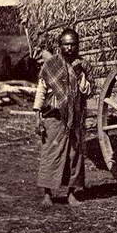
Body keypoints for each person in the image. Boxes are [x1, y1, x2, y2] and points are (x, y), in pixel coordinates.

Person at [33, 28, 93, 207]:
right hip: (54, 117)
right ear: (60, 46)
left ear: (77, 46)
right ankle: (47, 194)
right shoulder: (50, 66)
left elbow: (87, 91)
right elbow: (41, 90)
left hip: (74, 118)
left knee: (74, 156)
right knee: (51, 154)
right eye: (66, 44)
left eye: (73, 44)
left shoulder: (82, 66)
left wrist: (81, 79)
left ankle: (71, 193)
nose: (69, 48)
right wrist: (37, 116)